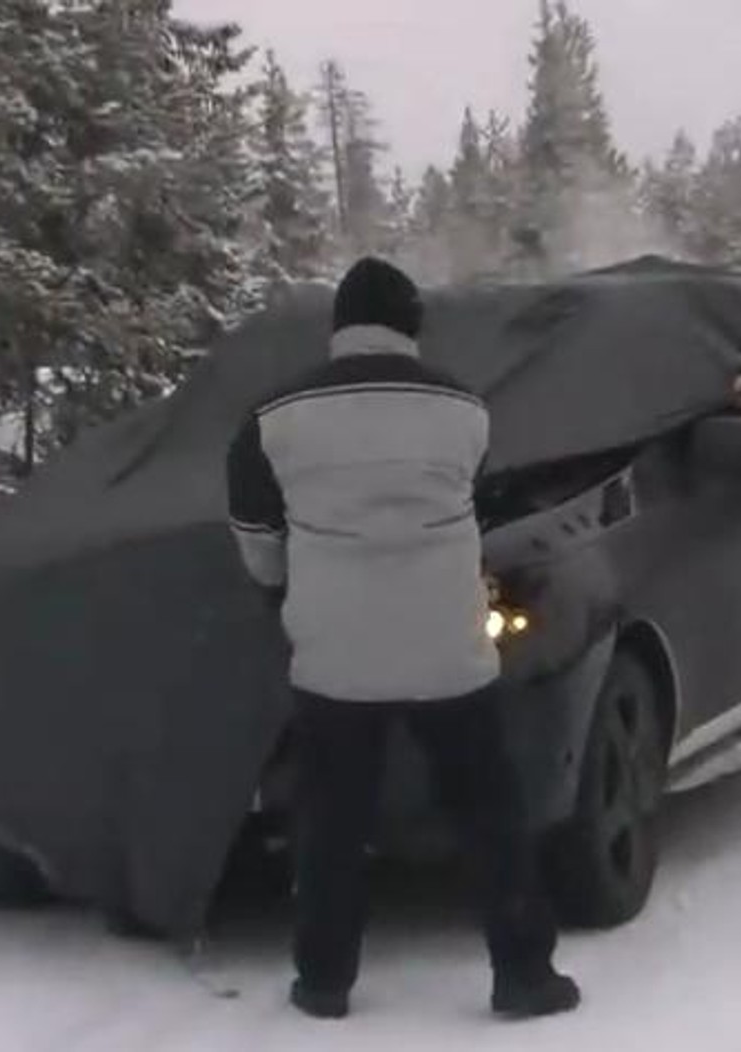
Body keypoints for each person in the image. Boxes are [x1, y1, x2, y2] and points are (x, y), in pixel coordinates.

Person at [224, 257, 580, 1021]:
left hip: (334, 657)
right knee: (489, 815)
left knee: (332, 821)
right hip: (448, 650)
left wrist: (291, 590)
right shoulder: (465, 408)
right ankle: (523, 973)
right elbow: (479, 504)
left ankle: (324, 981)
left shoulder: (272, 418)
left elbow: (256, 539)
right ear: (411, 325)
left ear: (340, 327)